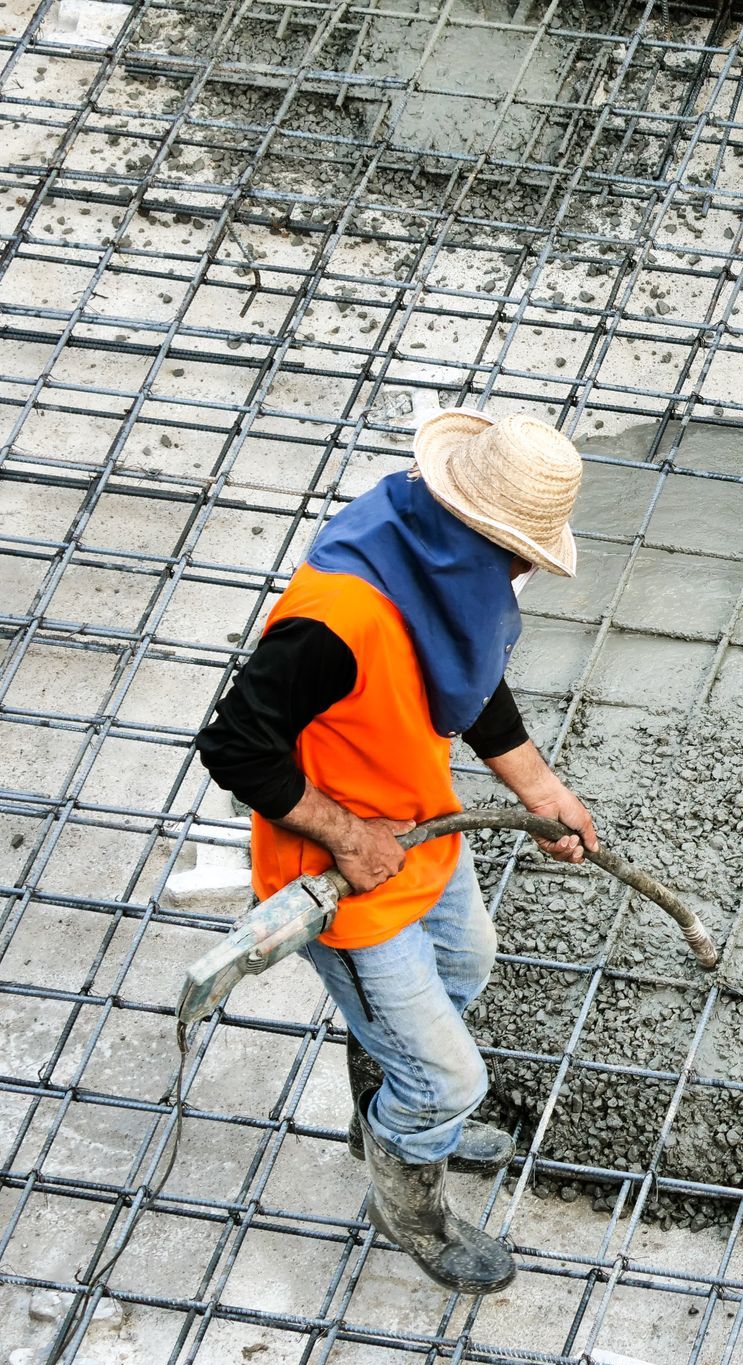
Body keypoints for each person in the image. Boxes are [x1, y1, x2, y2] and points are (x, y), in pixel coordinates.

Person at [196, 407, 597, 1295]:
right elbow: (233, 746)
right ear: (474, 525)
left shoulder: (436, 566)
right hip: (339, 874)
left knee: (466, 965)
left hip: (418, 830)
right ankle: (411, 1205)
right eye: (520, 548)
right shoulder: (338, 617)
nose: (528, 565)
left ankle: (393, 1116)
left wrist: (541, 791)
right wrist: (345, 834)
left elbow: (470, 678)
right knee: (449, 1077)